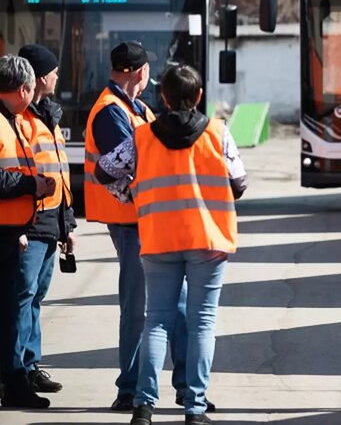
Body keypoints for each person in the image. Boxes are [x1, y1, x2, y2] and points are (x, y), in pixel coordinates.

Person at [95, 64, 247, 425]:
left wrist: (130, 195)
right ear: (198, 96)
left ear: (163, 97)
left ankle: (143, 405)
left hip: (158, 237)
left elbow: (104, 170)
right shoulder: (218, 133)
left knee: (157, 321)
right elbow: (239, 183)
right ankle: (195, 407)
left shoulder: (142, 137)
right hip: (208, 240)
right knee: (202, 322)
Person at [85, 42, 195, 413]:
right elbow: (125, 169)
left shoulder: (136, 108)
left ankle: (184, 388)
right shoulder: (110, 112)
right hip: (131, 222)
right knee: (139, 306)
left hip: (149, 219)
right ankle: (130, 389)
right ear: (140, 72)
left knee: (175, 304)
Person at [13, 45, 74, 397]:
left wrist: (68, 225)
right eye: (52, 72)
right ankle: (16, 372)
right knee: (22, 296)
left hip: (51, 221)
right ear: (38, 78)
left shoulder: (50, 116)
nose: (56, 76)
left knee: (35, 297)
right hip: (31, 222)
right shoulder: (20, 118)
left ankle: (31, 365)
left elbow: (60, 173)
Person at [0, 55, 53, 410]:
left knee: (8, 311)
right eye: (32, 90)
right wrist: (33, 185)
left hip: (9, 231)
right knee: (7, 312)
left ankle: (14, 381)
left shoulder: (11, 120)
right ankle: (14, 383)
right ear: (23, 89)